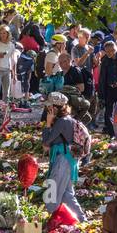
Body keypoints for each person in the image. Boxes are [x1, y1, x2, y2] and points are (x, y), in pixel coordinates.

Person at [40, 92, 86, 221]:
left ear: (55, 107)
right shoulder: (67, 119)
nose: (47, 109)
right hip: (68, 160)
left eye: (49, 106)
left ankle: (51, 220)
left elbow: (46, 142)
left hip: (62, 160)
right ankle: (82, 220)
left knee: (52, 191)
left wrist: (48, 124)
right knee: (67, 194)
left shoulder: (62, 122)